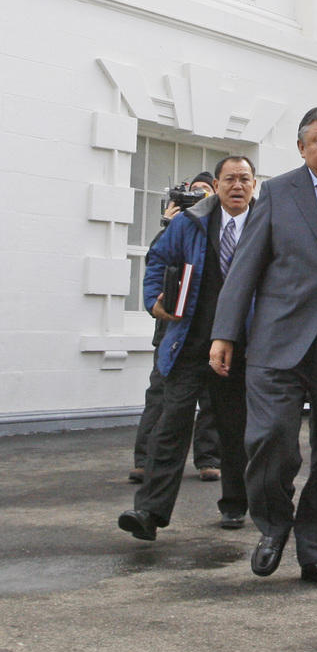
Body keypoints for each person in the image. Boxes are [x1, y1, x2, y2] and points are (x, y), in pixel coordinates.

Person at [209, 105, 317, 591]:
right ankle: (274, 522)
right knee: (269, 441)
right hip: (279, 339)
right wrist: (225, 333)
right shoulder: (278, 192)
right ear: (302, 147)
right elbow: (245, 266)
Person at [117, 157, 256, 540]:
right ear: (217, 183)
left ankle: (234, 504)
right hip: (189, 342)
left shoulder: (267, 224)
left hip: (241, 347)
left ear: (254, 183)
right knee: (170, 425)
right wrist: (153, 300)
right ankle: (148, 512)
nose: (237, 186)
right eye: (230, 179)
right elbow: (158, 260)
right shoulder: (188, 222)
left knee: (234, 430)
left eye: (245, 178)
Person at [129, 172, 221, 485]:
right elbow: (157, 261)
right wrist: (167, 225)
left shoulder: (220, 226)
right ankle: (145, 460)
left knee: (211, 399)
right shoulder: (177, 227)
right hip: (171, 331)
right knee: (160, 396)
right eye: (193, 192)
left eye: (205, 191)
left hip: (209, 330)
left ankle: (209, 459)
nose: (199, 197)